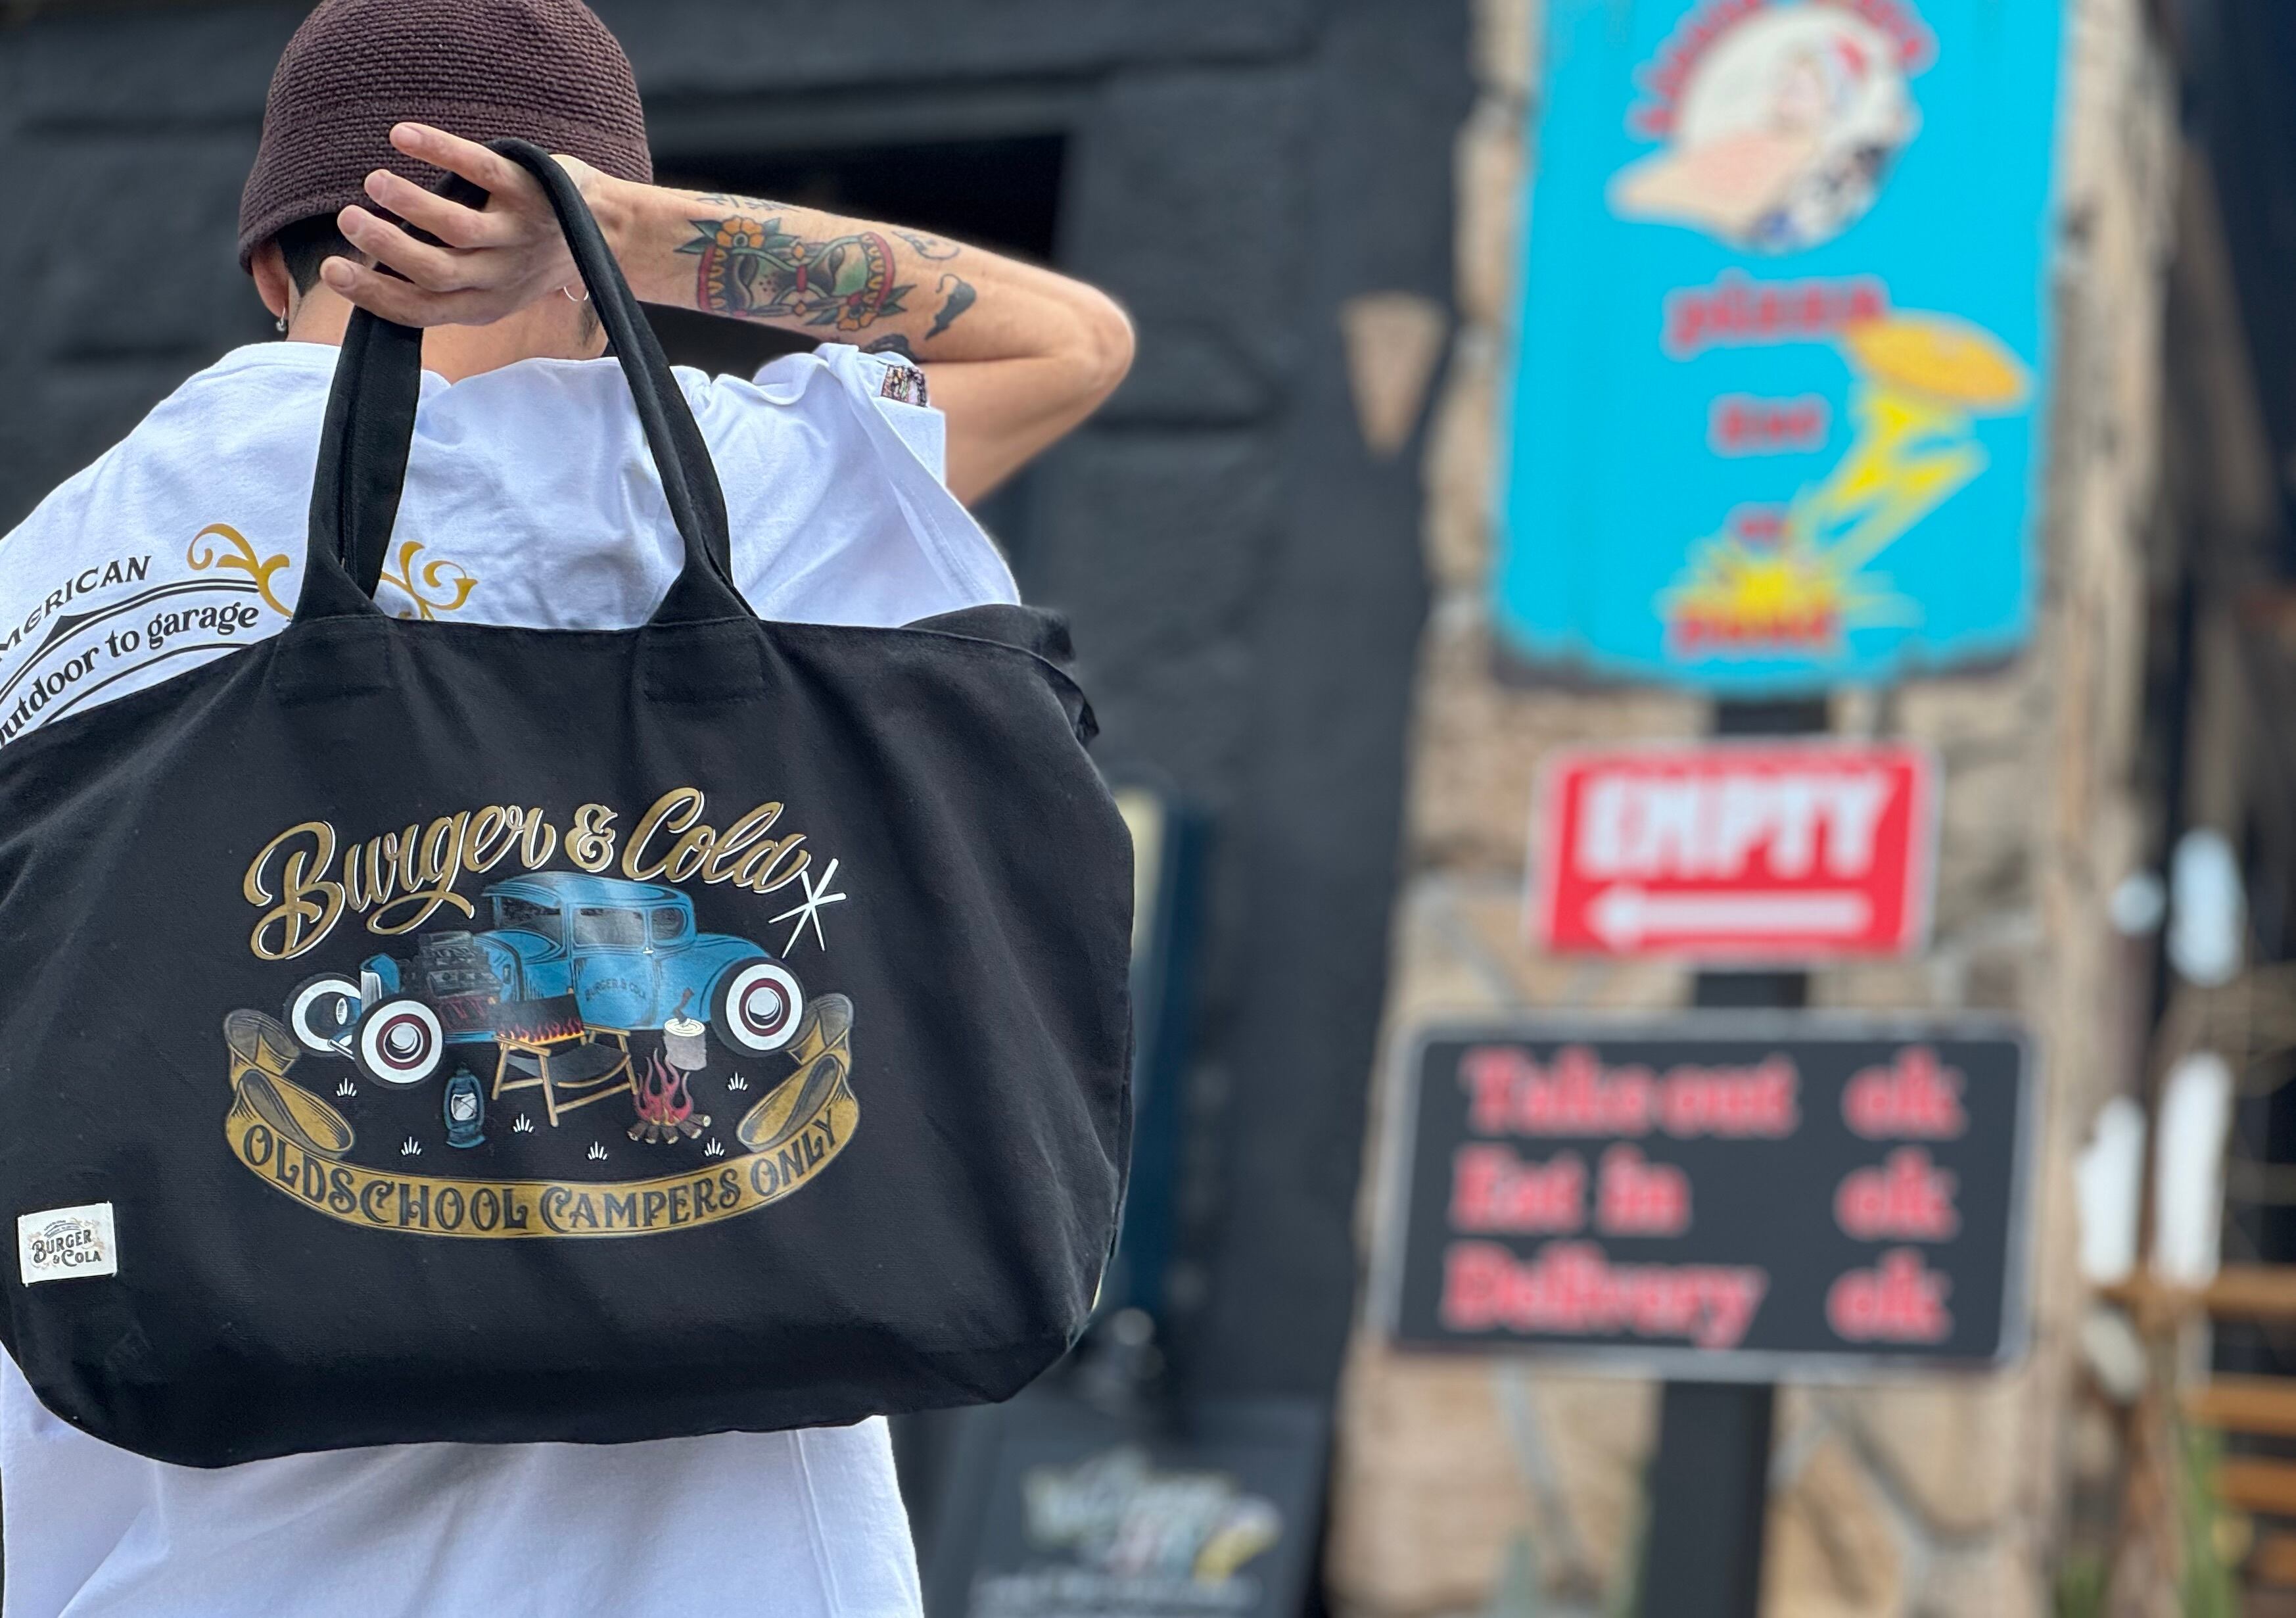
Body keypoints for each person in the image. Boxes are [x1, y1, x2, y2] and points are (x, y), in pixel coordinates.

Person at [0, 1, 1131, 1614]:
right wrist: (634, 235)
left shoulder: (46, 566)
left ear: (268, 267)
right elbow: (1069, 342)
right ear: (591, 279)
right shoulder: (687, 480)